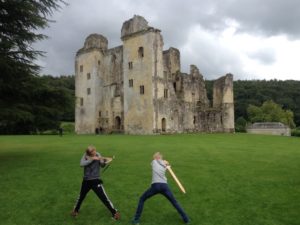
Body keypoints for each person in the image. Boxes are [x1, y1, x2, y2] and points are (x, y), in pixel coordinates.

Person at [132, 152, 189, 224]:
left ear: (155, 158)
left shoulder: (154, 162)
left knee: (142, 199)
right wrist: (166, 164)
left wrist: (164, 162)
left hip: (155, 186)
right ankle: (186, 219)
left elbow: (157, 161)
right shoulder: (165, 165)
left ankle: (136, 220)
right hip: (164, 186)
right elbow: (164, 163)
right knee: (174, 202)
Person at [71, 146, 120, 220]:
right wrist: (92, 159)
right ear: (89, 153)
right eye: (93, 152)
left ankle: (115, 213)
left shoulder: (98, 154)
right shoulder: (85, 156)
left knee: (104, 198)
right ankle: (75, 210)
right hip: (86, 181)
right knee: (81, 197)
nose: (95, 153)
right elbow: (81, 164)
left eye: (95, 151)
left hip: (95, 181)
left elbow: (102, 165)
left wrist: (104, 162)